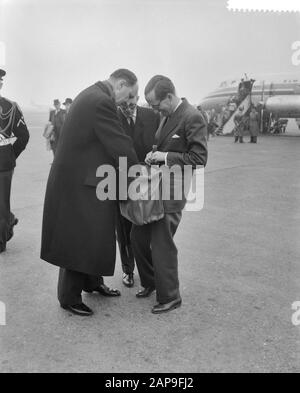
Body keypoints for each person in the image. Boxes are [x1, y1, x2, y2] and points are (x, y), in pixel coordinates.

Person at [41, 69, 139, 316]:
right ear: (120, 84)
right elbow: (120, 144)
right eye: (130, 94)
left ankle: (92, 283)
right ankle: (69, 297)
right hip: (79, 182)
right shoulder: (101, 101)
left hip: (86, 179)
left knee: (95, 235)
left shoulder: (91, 94)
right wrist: (137, 173)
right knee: (79, 238)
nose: (129, 101)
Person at [131, 75, 208, 314]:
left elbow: (199, 158)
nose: (153, 109)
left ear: (169, 96)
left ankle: (171, 296)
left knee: (162, 244)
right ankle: (151, 282)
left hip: (173, 191)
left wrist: (164, 157)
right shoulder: (167, 115)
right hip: (156, 188)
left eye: (155, 104)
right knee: (137, 237)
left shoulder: (192, 116)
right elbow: (164, 145)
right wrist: (153, 154)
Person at [116, 94, 160, 288]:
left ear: (137, 96)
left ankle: (148, 271)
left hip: (149, 180)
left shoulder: (151, 115)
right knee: (124, 229)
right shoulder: (112, 117)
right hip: (121, 180)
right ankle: (128, 270)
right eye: (124, 102)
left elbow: (161, 141)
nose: (128, 105)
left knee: (147, 227)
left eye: (131, 100)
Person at [0, 69, 30, 253]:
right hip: (4, 161)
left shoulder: (10, 107)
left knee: (1, 205)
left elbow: (23, 136)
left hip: (2, 163)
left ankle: (1, 240)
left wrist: (9, 155)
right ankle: (9, 220)